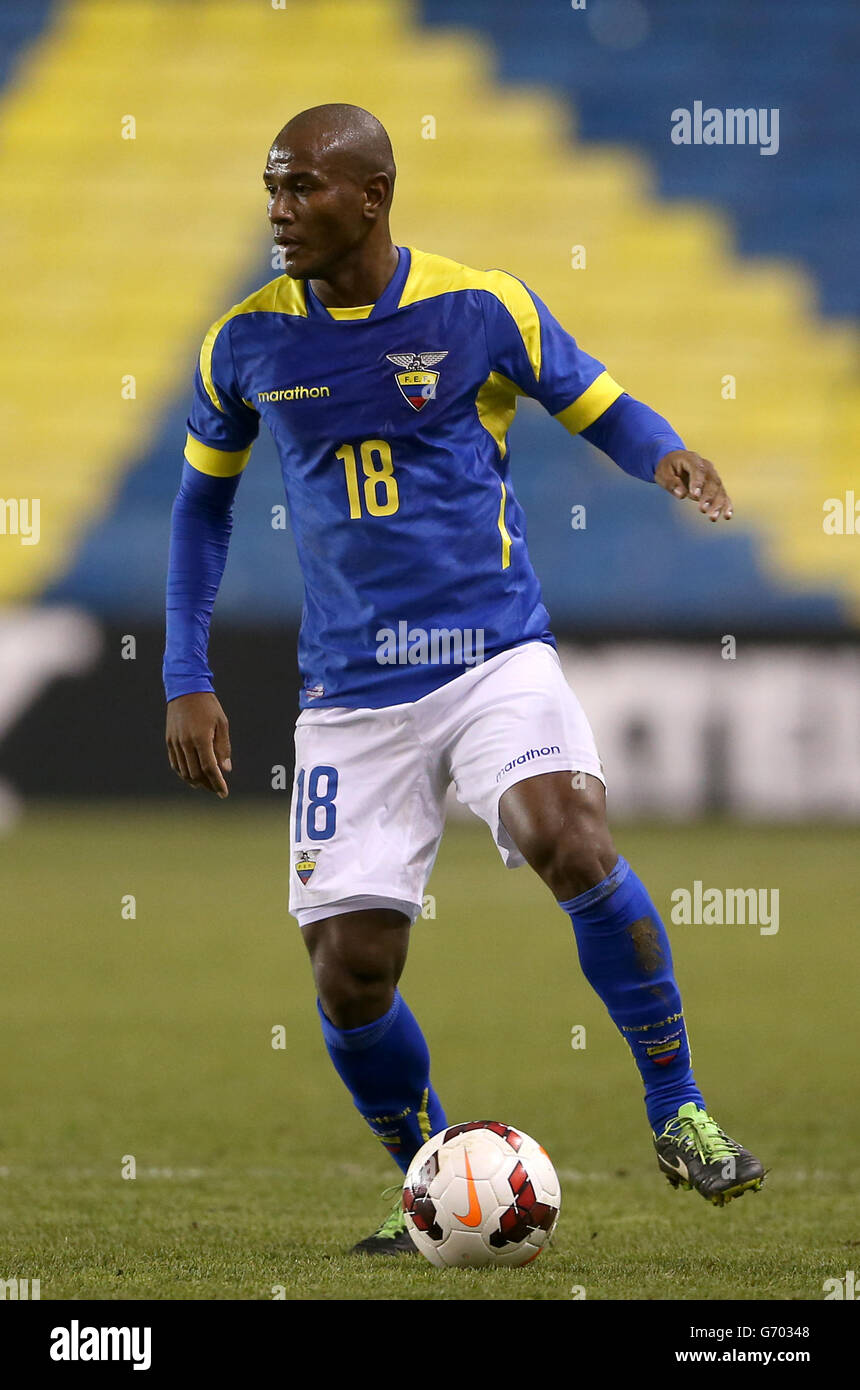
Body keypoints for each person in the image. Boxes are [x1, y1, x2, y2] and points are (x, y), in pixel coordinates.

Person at [164, 103, 765, 1255]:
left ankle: (676, 1107)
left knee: (571, 836)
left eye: (300, 189)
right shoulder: (241, 342)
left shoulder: (478, 305)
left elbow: (596, 402)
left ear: (372, 195)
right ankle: (431, 1181)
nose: (278, 212)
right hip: (349, 697)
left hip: (491, 656)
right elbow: (200, 504)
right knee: (350, 976)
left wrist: (666, 454)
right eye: (270, 189)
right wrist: (185, 673)